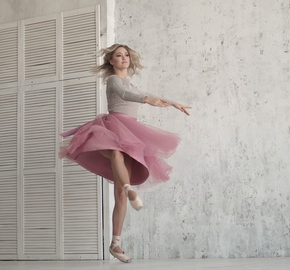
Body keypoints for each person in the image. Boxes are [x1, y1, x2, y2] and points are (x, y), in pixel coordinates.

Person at [59, 44, 191, 263]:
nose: (123, 58)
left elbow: (143, 93)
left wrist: (172, 103)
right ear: (111, 61)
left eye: (126, 55)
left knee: (118, 195)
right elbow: (125, 94)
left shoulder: (131, 83)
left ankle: (116, 244)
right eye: (118, 56)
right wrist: (147, 100)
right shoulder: (113, 80)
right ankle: (130, 189)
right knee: (116, 154)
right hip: (109, 128)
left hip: (129, 132)